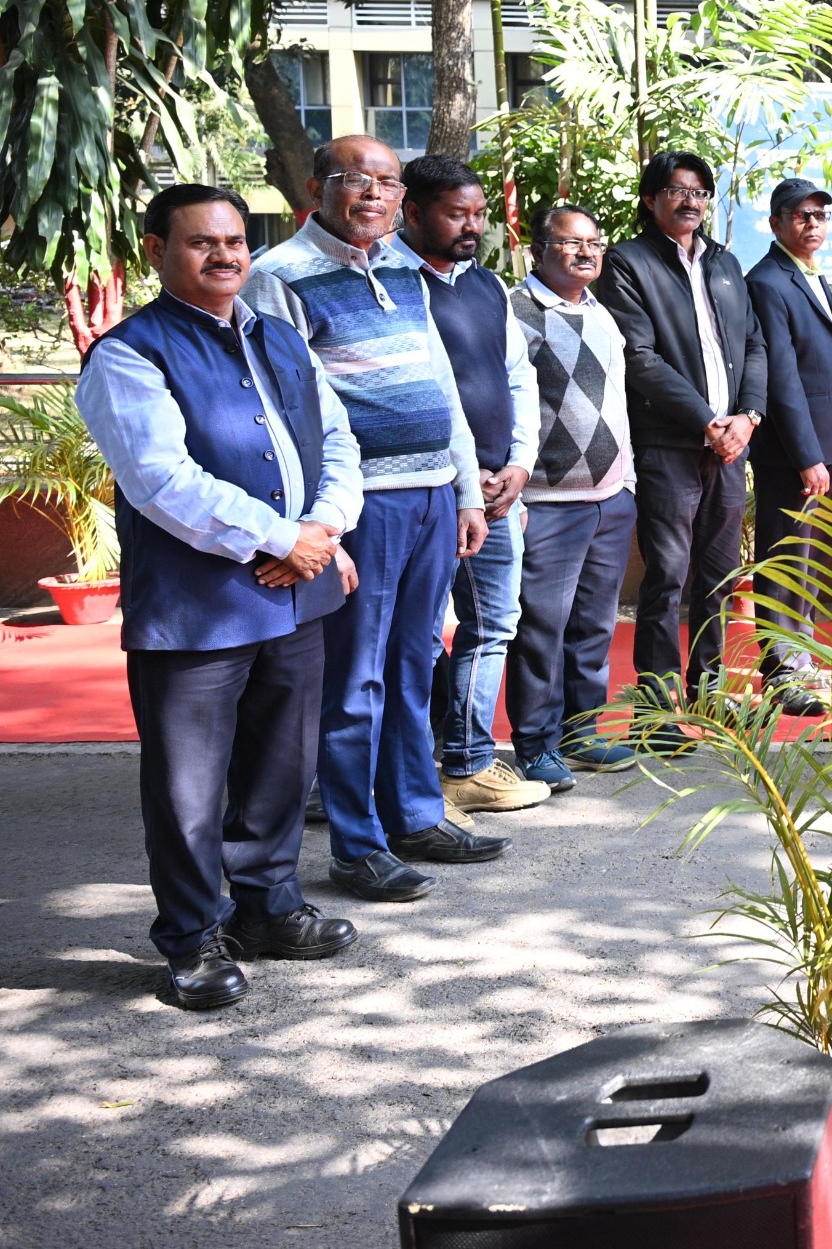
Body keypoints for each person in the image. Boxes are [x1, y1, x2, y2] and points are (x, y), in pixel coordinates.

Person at [79, 185, 363, 1009]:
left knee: (284, 766)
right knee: (188, 788)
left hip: (297, 590)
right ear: (157, 251)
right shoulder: (129, 354)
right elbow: (161, 480)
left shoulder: (281, 336)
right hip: (196, 606)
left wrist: (323, 528)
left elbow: (336, 439)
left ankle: (267, 908)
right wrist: (281, 539)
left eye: (235, 240)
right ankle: (191, 938)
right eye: (202, 242)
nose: (225, 255)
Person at [242, 135, 496, 901]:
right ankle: (356, 845)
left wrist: (466, 491)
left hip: (431, 495)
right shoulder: (279, 276)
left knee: (414, 665)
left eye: (388, 181)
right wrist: (323, 523)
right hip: (362, 507)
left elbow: (441, 385)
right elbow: (285, 411)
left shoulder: (404, 269)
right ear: (317, 187)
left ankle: (415, 815)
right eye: (358, 179)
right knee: (355, 679)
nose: (375, 194)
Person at [393, 156, 546, 814]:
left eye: (479, 214)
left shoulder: (485, 285)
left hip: (499, 493)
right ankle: (401, 771)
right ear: (413, 211)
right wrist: (460, 475)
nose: (474, 226)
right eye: (458, 214)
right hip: (425, 492)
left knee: (493, 625)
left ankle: (468, 764)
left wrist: (520, 464)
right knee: (417, 633)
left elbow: (518, 376)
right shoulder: (387, 281)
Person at [594, 150, 768, 717]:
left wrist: (748, 416)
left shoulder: (724, 262)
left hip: (730, 446)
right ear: (650, 199)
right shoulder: (627, 262)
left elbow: (754, 344)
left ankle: (710, 690)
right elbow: (639, 358)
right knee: (667, 576)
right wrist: (705, 420)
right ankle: (659, 703)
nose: (690, 201)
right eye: (677, 190)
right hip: (669, 444)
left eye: (699, 191)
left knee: (720, 575)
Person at [505, 206, 640, 786]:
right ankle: (536, 745)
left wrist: (625, 483)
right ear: (539, 249)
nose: (587, 252)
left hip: (610, 498)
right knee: (542, 628)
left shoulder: (600, 310)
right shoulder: (516, 311)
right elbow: (505, 403)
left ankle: (582, 734)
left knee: (594, 626)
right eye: (571, 242)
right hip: (547, 502)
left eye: (595, 242)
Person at [744, 178, 832, 714]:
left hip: (824, 444)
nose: (813, 224)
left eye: (820, 215)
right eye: (801, 215)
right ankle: (783, 674)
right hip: (793, 452)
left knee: (806, 560)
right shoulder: (768, 281)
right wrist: (808, 456)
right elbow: (782, 378)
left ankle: (801, 659)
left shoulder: (809, 272)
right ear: (776, 224)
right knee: (785, 559)